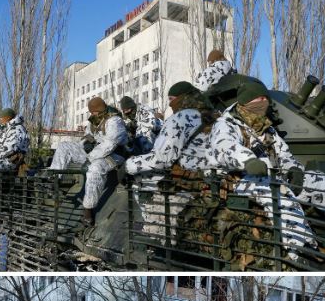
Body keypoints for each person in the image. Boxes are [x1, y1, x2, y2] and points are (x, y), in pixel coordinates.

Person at [210, 80, 325, 262]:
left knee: (317, 179)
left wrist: (293, 169)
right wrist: (248, 160)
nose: (263, 103)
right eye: (258, 99)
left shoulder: (265, 126)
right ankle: (300, 248)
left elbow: (283, 153)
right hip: (241, 179)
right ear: (245, 102)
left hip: (271, 175)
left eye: (265, 99)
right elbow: (224, 148)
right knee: (276, 190)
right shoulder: (227, 124)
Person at [124, 82, 219, 236]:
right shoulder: (214, 115)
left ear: (182, 98)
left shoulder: (180, 118)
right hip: (213, 179)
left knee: (140, 177)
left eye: (171, 99)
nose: (170, 103)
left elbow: (161, 158)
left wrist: (129, 165)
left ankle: (152, 228)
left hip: (190, 180)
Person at [78, 97, 129, 226]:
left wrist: (89, 158)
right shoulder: (95, 119)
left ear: (100, 109)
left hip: (115, 154)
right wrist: (86, 143)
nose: (92, 114)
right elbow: (88, 134)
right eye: (91, 112)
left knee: (95, 168)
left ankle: (88, 211)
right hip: (97, 152)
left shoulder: (114, 120)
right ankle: (53, 180)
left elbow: (110, 144)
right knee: (65, 147)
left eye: (94, 112)